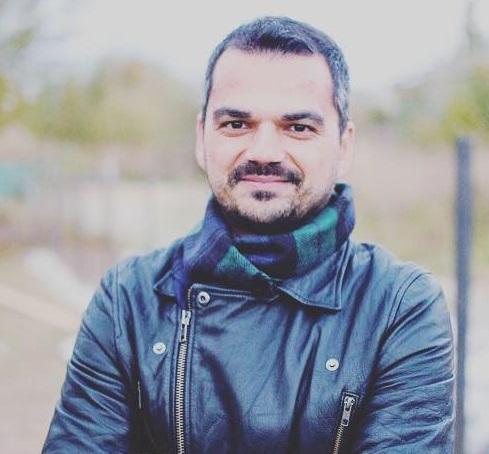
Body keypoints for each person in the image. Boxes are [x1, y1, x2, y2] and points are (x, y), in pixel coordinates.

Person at [43, 16, 454, 454]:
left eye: (298, 127)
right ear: (201, 138)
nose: (264, 152)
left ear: (343, 145)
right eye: (237, 124)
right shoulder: (128, 301)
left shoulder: (398, 307)